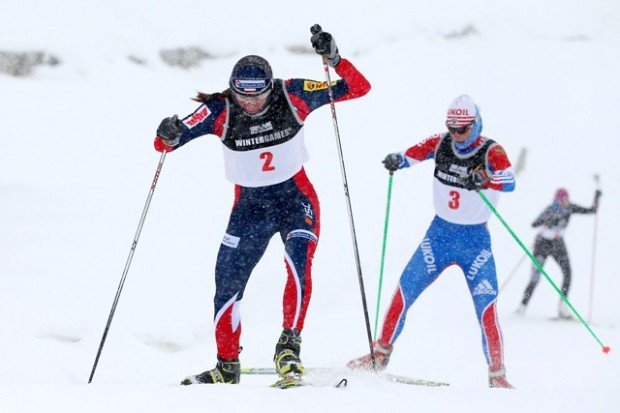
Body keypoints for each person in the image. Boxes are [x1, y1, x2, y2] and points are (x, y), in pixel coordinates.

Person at [153, 27, 371, 385]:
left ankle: (289, 347)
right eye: (243, 96)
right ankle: (226, 366)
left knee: (297, 261)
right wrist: (166, 134)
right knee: (227, 282)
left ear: (271, 87)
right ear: (233, 90)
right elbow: (165, 145)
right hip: (249, 210)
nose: (251, 104)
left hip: (295, 198)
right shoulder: (219, 110)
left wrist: (334, 59)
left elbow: (358, 88)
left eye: (259, 96)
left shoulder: (294, 94)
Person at [347, 95, 516, 389]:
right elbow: (410, 154)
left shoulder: (493, 150)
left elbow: (510, 180)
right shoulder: (440, 143)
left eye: (462, 129)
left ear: (476, 124)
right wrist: (397, 160)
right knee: (403, 291)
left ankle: (497, 376)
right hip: (439, 237)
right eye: (452, 128)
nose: (456, 135)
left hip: (475, 243)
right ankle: (380, 354)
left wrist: (487, 180)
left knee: (487, 309)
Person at [517, 188, 601, 319]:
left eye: (567, 198)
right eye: (563, 199)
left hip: (558, 244)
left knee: (568, 273)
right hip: (542, 244)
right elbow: (534, 224)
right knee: (535, 277)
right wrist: (547, 220)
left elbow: (591, 210)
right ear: (557, 200)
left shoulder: (570, 208)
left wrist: (597, 197)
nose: (566, 201)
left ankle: (563, 306)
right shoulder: (550, 209)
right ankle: (522, 306)